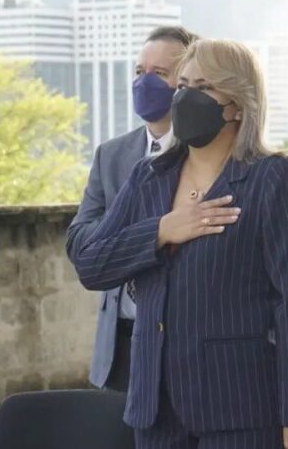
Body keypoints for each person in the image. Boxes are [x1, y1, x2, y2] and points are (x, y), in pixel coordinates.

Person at [74, 39, 288, 449]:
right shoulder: (150, 176)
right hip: (156, 410)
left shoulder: (274, 178)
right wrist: (161, 230)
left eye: (205, 87)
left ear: (239, 104)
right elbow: (90, 264)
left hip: (240, 410)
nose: (188, 97)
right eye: (184, 85)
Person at [66, 25, 198, 392]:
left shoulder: (206, 156)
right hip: (120, 346)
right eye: (140, 72)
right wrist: (147, 230)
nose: (145, 83)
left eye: (160, 74)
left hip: (183, 343)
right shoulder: (112, 155)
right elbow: (80, 244)